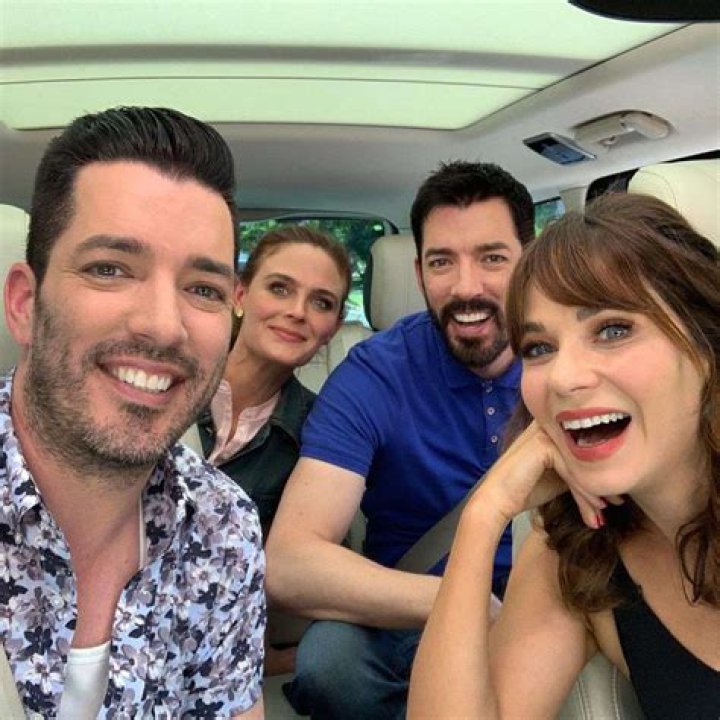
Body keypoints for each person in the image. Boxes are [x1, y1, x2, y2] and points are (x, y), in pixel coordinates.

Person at [408, 193, 720, 720]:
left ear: (705, 345)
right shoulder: (575, 551)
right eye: (539, 349)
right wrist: (484, 515)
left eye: (613, 330)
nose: (563, 378)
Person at [0, 106, 265, 718]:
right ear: (24, 304)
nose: (163, 326)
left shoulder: (224, 528)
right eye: (110, 269)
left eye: (203, 289)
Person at [266, 161, 535, 719]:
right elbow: (289, 560)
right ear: (419, 273)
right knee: (330, 662)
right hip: (410, 610)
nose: (466, 287)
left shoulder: (572, 358)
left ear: (529, 260)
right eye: (442, 262)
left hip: (550, 599)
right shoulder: (374, 374)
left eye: (492, 258)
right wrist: (464, 603)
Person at [197, 225, 350, 675]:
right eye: (280, 288)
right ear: (240, 295)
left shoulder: (324, 433)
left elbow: (292, 571)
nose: (297, 312)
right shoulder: (164, 380)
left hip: (213, 659)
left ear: (333, 328)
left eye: (321, 302)